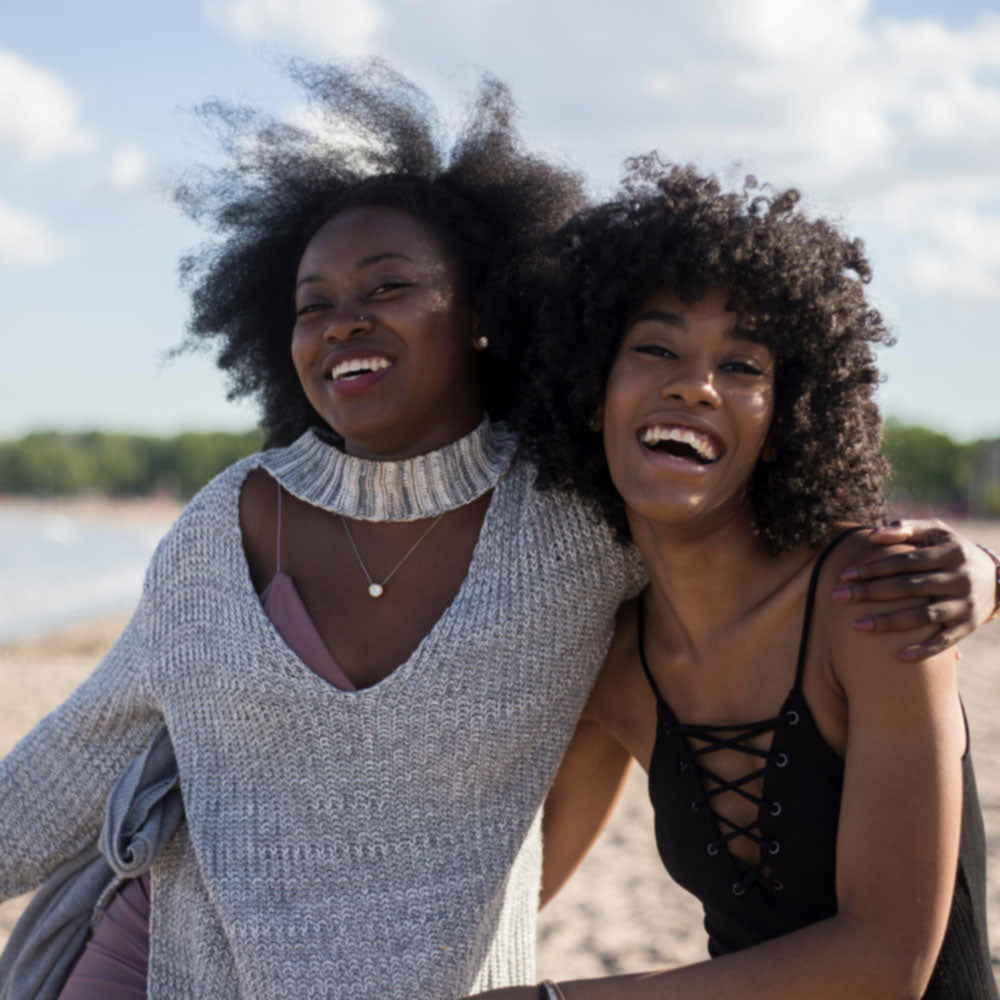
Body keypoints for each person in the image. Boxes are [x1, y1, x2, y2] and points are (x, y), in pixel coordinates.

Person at [0, 65, 994, 1000]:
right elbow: (64, 772)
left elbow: (882, 952)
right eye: (315, 306)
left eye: (388, 286)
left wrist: (982, 565)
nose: (345, 320)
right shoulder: (231, 527)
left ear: (482, 312)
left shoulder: (606, 532)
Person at [476, 159, 999, 999]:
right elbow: (502, 898)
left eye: (745, 366)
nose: (696, 383)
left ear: (788, 415)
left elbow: (886, 962)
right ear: (587, 391)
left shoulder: (870, 600)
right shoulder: (611, 658)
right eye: (655, 348)